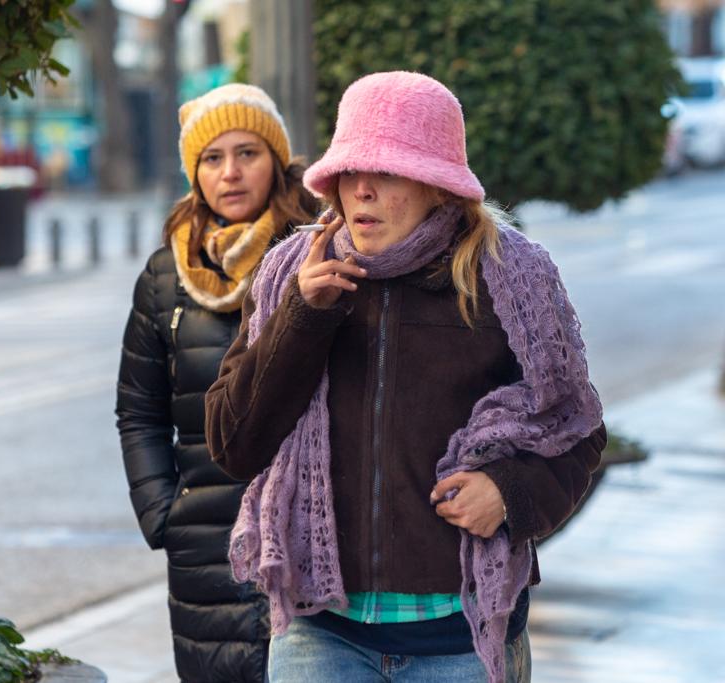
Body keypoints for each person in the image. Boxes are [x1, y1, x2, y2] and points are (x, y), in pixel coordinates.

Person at [204, 71, 608, 683]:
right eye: (349, 170)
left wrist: (510, 492)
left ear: (437, 186)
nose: (360, 189)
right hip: (321, 636)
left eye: (386, 172)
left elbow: (575, 428)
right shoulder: (297, 273)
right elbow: (235, 444)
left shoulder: (507, 277)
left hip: (462, 636)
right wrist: (304, 319)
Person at [116, 83, 318, 682]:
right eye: (212, 158)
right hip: (206, 545)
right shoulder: (165, 277)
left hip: (306, 534)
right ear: (194, 171)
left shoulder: (314, 256)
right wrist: (163, 513)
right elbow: (139, 411)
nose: (230, 173)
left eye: (247, 153)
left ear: (276, 162)